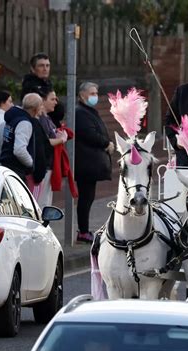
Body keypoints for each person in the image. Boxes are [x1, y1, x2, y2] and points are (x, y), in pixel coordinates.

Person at [74, 82, 114, 244]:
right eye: (92, 93)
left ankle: (84, 230)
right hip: (85, 164)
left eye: (96, 93)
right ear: (82, 95)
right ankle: (83, 231)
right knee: (85, 198)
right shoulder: (80, 113)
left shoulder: (89, 111)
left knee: (88, 197)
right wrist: (106, 143)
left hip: (90, 164)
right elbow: (90, 134)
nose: (95, 96)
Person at [28, 89, 68, 207]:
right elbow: (45, 142)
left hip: (48, 165)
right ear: (42, 101)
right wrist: (61, 139)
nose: (56, 102)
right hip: (43, 166)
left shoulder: (47, 118)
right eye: (52, 99)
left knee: (45, 201)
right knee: (40, 203)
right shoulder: (40, 119)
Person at [0, 93, 47, 185]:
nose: (42, 108)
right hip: (17, 170)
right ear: (35, 108)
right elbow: (19, 150)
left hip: (7, 166)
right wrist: (31, 163)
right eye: (41, 105)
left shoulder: (13, 118)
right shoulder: (24, 123)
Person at [21, 52, 63, 127]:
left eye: (47, 66)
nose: (45, 69)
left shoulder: (47, 83)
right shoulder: (30, 86)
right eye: (41, 66)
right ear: (33, 68)